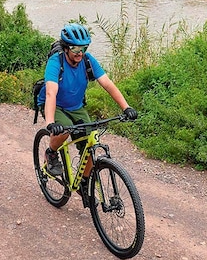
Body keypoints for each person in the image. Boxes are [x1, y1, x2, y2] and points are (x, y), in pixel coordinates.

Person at [39, 23, 137, 203]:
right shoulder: (56, 62)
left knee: (91, 141)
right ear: (67, 47)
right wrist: (51, 122)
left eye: (83, 48)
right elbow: (50, 92)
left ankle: (84, 181)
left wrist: (126, 107)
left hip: (76, 106)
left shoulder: (87, 61)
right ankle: (51, 152)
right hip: (56, 105)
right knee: (65, 130)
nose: (79, 52)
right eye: (75, 48)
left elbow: (108, 84)